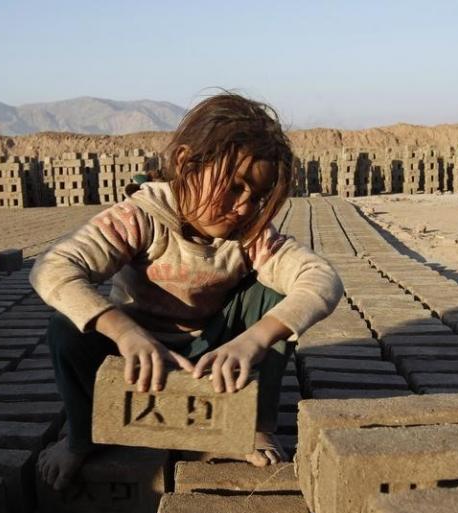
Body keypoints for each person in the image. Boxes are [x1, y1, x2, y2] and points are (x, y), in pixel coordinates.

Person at [31, 92, 343, 491]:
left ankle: (253, 425)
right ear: (185, 164)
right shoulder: (140, 218)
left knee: (275, 298)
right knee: (66, 329)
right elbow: (52, 268)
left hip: (215, 353)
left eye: (257, 198)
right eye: (233, 188)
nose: (244, 208)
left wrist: (254, 340)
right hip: (134, 353)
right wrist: (124, 333)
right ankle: (82, 435)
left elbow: (322, 278)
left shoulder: (250, 237)